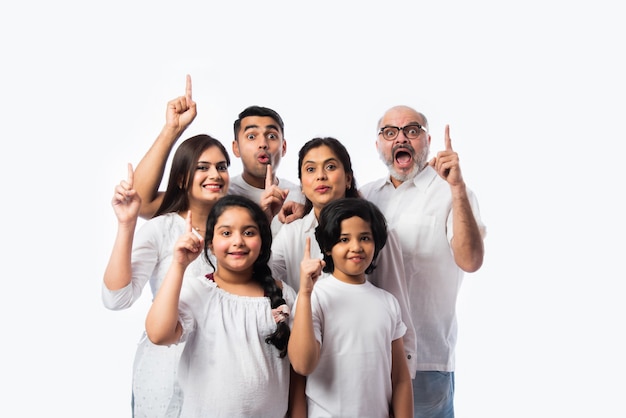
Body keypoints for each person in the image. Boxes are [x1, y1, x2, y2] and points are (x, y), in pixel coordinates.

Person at [359, 106, 487, 418]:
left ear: (427, 140)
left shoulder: (452, 192)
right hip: (370, 357)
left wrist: (456, 188)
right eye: (390, 132)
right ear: (379, 145)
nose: (400, 138)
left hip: (427, 361)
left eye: (411, 131)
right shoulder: (365, 196)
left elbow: (470, 260)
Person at [102, 134, 231, 417]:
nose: (215, 174)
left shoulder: (239, 236)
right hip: (166, 378)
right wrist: (127, 224)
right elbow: (116, 298)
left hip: (226, 378)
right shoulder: (162, 229)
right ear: (182, 179)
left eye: (222, 167)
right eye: (203, 167)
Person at [270, 136, 417, 376]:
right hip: (306, 362)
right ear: (301, 183)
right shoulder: (291, 233)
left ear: (348, 178)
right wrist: (268, 217)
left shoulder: (378, 233)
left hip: (364, 363)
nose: (321, 176)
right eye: (310, 169)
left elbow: (396, 304)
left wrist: (405, 375)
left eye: (330, 166)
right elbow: (262, 280)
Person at [145, 194, 297, 417]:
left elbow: (297, 373)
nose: (238, 241)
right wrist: (179, 265)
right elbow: (159, 334)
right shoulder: (199, 291)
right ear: (211, 244)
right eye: (226, 233)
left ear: (263, 240)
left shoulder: (284, 295)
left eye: (248, 232)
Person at [133, 75, 304, 236]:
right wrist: (172, 129)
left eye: (271, 136)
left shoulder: (302, 196)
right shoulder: (216, 192)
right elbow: (140, 203)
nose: (263, 143)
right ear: (235, 148)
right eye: (251, 136)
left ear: (283, 147)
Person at [288, 197, 413, 417]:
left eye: (364, 238)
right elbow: (301, 366)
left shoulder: (388, 303)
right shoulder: (315, 296)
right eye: (344, 239)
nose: (356, 247)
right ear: (327, 247)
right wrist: (306, 293)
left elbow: (400, 378)